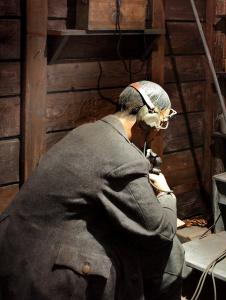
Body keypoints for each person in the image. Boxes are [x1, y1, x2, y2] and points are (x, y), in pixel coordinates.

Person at [0, 80, 189, 300]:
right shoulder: (123, 157)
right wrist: (166, 195)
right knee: (167, 248)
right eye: (161, 123)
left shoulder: (87, 131)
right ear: (149, 118)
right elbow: (159, 230)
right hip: (42, 271)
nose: (158, 132)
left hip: (14, 248)